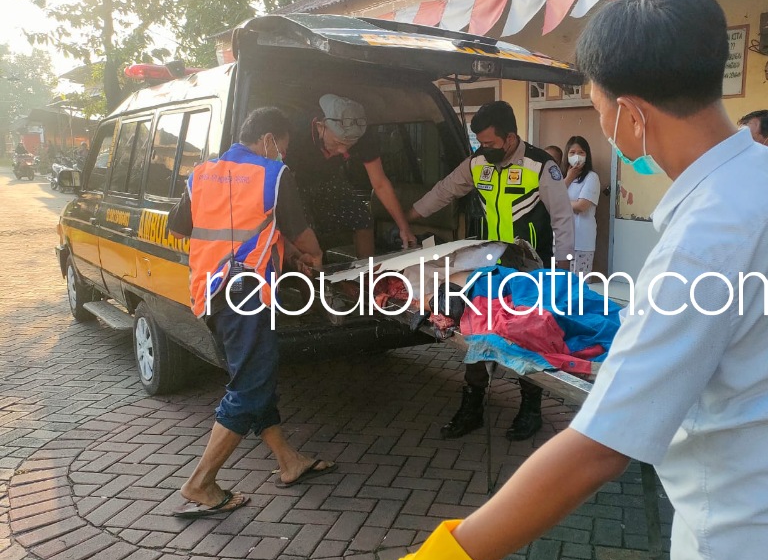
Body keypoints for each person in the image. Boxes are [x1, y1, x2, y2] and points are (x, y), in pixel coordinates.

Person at [359, 0, 768, 560]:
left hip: (745, 555)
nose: (601, 127)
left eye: (597, 108)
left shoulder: (708, 234)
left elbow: (601, 444)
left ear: (631, 115)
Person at [167, 107, 335, 517]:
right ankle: (200, 483)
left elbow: (181, 227)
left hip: (210, 291)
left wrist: (281, 251)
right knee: (250, 386)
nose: (282, 155)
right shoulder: (272, 173)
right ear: (269, 139)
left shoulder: (202, 173)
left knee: (255, 377)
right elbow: (300, 232)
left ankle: (289, 462)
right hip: (246, 293)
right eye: (283, 147)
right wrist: (312, 254)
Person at [406, 100, 575, 442]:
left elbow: (563, 219)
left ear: (510, 137)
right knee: (476, 330)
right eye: (480, 143)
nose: (484, 149)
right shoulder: (478, 163)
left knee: (527, 336)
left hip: (531, 268)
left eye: (490, 142)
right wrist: (409, 216)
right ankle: (472, 407)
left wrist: (562, 271)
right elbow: (445, 190)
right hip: (489, 265)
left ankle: (530, 409)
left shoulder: (541, 166)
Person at [285, 94, 416, 258]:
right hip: (294, 184)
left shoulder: (363, 136)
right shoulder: (295, 133)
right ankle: (312, 273)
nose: (343, 151)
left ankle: (366, 272)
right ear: (320, 127)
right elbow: (283, 182)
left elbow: (380, 183)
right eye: (337, 142)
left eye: (349, 145)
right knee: (304, 230)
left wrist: (404, 228)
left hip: (329, 180)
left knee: (363, 218)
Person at [562, 135, 602, 275]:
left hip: (581, 240)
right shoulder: (561, 177)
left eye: (581, 152)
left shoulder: (591, 177)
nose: (577, 156)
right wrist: (569, 178)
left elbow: (581, 206)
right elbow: (551, 199)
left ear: (587, 155)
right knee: (559, 283)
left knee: (578, 283)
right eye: (572, 152)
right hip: (560, 239)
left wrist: (560, 203)